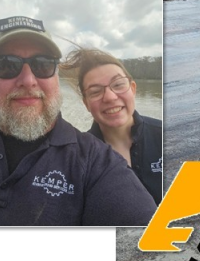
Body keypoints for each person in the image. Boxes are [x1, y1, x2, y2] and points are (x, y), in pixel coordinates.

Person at [0, 16, 157, 226]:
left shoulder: (96, 162)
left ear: (56, 76)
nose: (28, 80)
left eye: (42, 65)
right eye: (6, 65)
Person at [60, 48, 163, 205]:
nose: (109, 97)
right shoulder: (78, 158)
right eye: (95, 92)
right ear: (86, 103)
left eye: (118, 84)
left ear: (133, 89)